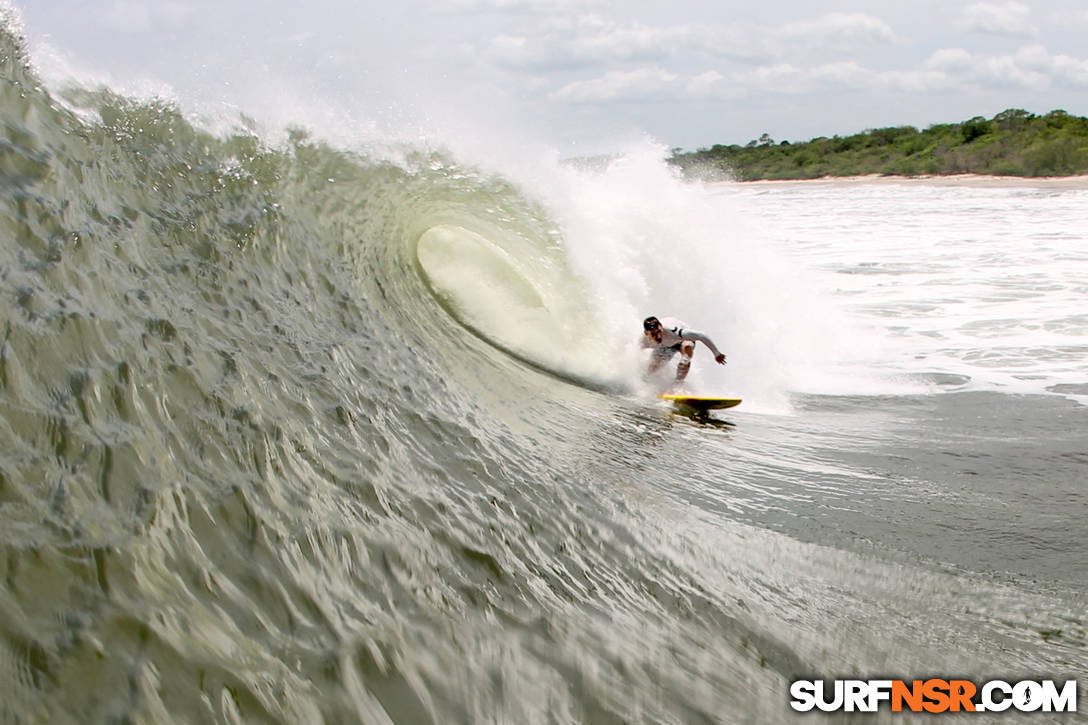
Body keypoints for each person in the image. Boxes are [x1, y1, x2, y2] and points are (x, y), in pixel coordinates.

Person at [641, 315, 727, 385]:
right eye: (654, 334)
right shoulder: (644, 340)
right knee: (651, 370)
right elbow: (634, 350)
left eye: (659, 331)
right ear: (646, 333)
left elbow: (701, 335)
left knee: (686, 355)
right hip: (666, 346)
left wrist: (717, 353)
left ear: (661, 327)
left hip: (682, 341)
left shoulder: (672, 331)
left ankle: (677, 386)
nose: (658, 336)